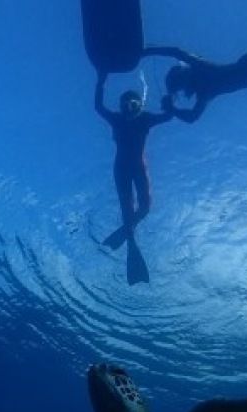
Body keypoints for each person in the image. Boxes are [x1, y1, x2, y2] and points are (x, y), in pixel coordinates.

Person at [94, 70, 174, 284]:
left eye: (133, 103)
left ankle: (126, 231)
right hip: (122, 169)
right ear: (121, 106)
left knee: (145, 207)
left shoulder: (145, 119)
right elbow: (99, 107)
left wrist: (170, 99)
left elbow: (168, 116)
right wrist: (100, 82)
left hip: (137, 167)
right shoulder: (117, 119)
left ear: (140, 105)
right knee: (127, 207)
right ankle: (129, 237)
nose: (129, 106)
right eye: (125, 103)